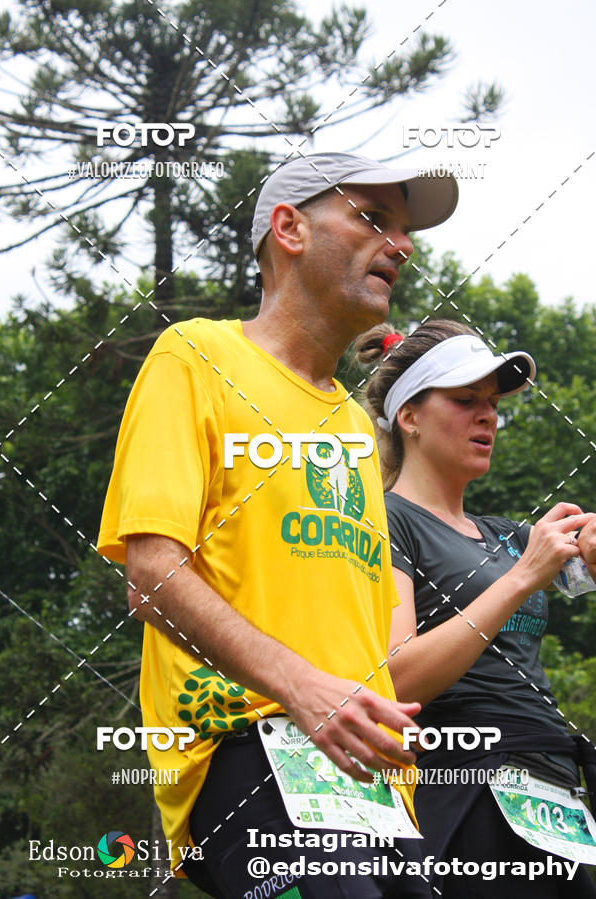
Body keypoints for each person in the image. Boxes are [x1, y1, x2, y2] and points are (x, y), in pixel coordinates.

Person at [96, 153, 459, 898]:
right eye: (372, 217)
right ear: (288, 228)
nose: (403, 245)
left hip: (378, 789)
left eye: (404, 229)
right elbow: (151, 573)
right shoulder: (196, 355)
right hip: (251, 748)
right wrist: (303, 689)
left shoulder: (357, 430)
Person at [358, 318, 596, 897]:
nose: (488, 416)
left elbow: (569, 568)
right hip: (466, 789)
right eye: (465, 400)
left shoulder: (507, 537)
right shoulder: (384, 520)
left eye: (491, 403)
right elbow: (395, 676)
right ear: (408, 417)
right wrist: (521, 578)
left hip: (557, 791)